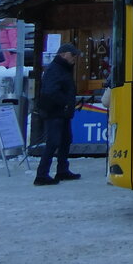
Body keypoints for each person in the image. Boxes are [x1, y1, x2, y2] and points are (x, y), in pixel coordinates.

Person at [33, 43, 81, 186]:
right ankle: (41, 175)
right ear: (63, 54)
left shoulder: (63, 69)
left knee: (66, 140)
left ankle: (62, 170)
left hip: (62, 113)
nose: (74, 58)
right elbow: (50, 92)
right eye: (72, 55)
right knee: (53, 142)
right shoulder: (55, 69)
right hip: (55, 112)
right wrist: (65, 102)